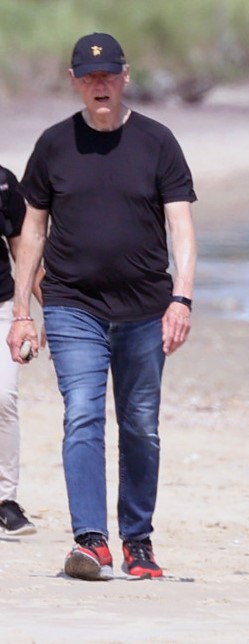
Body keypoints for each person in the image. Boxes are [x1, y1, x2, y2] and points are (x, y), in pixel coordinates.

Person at [7, 33, 197, 581]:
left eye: (109, 75)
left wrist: (181, 297)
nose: (100, 85)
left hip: (145, 307)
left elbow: (181, 225)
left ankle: (138, 540)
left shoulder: (158, 142)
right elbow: (32, 230)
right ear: (74, 82)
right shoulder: (53, 144)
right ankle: (91, 542)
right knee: (84, 414)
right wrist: (23, 310)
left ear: (125, 76)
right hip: (73, 305)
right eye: (89, 77)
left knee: (140, 424)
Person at [0, 165, 38, 538]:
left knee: (3, 396)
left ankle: (5, 500)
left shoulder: (4, 181)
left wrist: (54, 315)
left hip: (1, 306)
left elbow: (24, 250)